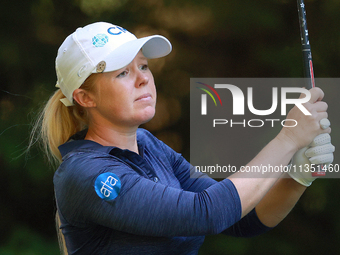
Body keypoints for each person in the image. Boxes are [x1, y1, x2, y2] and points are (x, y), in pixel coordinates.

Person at [32, 22, 335, 255]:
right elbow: (207, 213)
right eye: (123, 73)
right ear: (85, 98)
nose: (143, 78)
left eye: (143, 66)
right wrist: (287, 140)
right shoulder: (86, 173)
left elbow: (242, 219)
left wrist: (297, 175)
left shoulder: (149, 146)